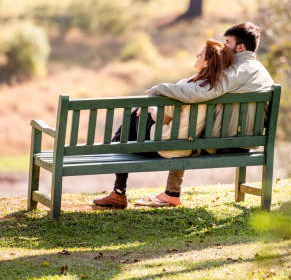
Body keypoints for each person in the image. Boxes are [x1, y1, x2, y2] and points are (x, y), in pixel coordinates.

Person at [138, 22, 274, 207]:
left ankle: (166, 193)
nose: (224, 46)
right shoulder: (263, 73)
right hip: (251, 140)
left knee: (188, 126)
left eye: (228, 42)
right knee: (190, 122)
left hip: (222, 140)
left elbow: (201, 92)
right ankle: (171, 193)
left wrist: (160, 88)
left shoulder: (235, 72)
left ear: (240, 47)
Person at [92, 39, 234, 209]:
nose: (197, 55)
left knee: (133, 119)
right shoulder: (217, 90)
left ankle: (118, 188)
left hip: (165, 146)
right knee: (135, 119)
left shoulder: (187, 87)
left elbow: (164, 118)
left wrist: (151, 110)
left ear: (208, 62)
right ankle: (119, 188)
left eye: (201, 53)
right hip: (188, 147)